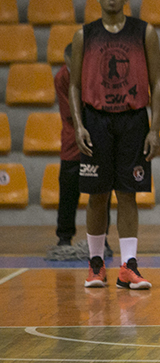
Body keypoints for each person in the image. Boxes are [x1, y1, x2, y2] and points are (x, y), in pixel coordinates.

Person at [69, 0, 160, 289]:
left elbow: (158, 83)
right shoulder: (85, 35)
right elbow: (73, 85)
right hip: (96, 120)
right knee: (96, 195)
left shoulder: (144, 32)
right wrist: (79, 124)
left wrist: (155, 129)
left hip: (133, 120)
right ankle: (97, 264)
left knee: (128, 193)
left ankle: (128, 266)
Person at [53, 43, 113, 255]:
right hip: (72, 142)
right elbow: (71, 113)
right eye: (70, 67)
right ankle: (64, 237)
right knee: (68, 192)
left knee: (101, 192)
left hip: (98, 141)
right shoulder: (61, 78)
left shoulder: (97, 75)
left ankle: (102, 239)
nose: (73, 71)